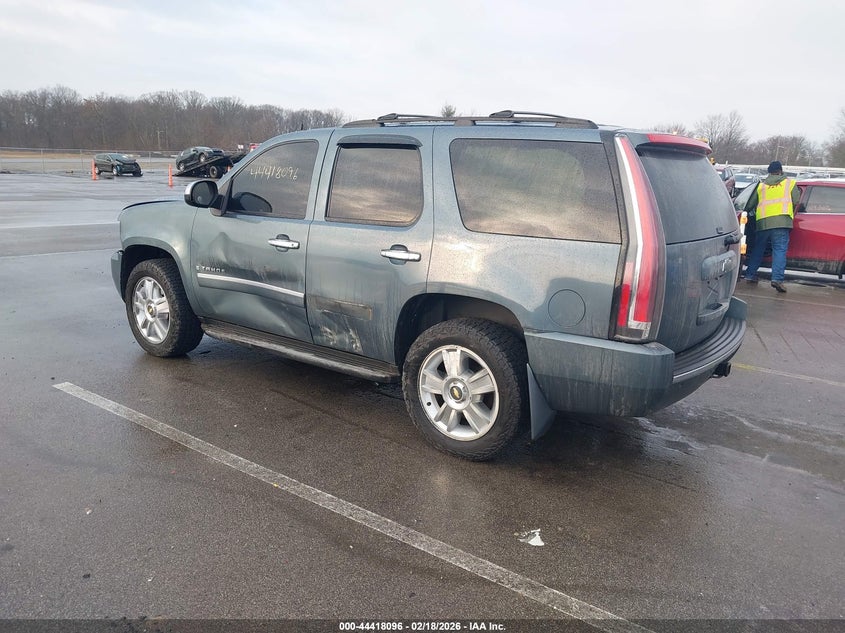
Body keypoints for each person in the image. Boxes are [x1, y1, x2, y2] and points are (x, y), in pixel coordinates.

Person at [742, 160, 800, 293]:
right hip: (782, 222)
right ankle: (777, 279)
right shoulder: (790, 183)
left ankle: (750, 275)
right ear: (781, 171)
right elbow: (796, 201)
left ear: (769, 172)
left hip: (763, 222)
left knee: (758, 249)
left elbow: (749, 205)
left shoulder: (761, 186)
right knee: (779, 250)